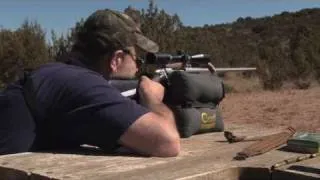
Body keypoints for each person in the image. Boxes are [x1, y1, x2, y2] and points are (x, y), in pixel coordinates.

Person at [0, 9, 180, 157]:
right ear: (116, 59)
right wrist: (153, 99)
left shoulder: (60, 76)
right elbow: (167, 142)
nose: (138, 67)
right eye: (137, 59)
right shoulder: (82, 84)